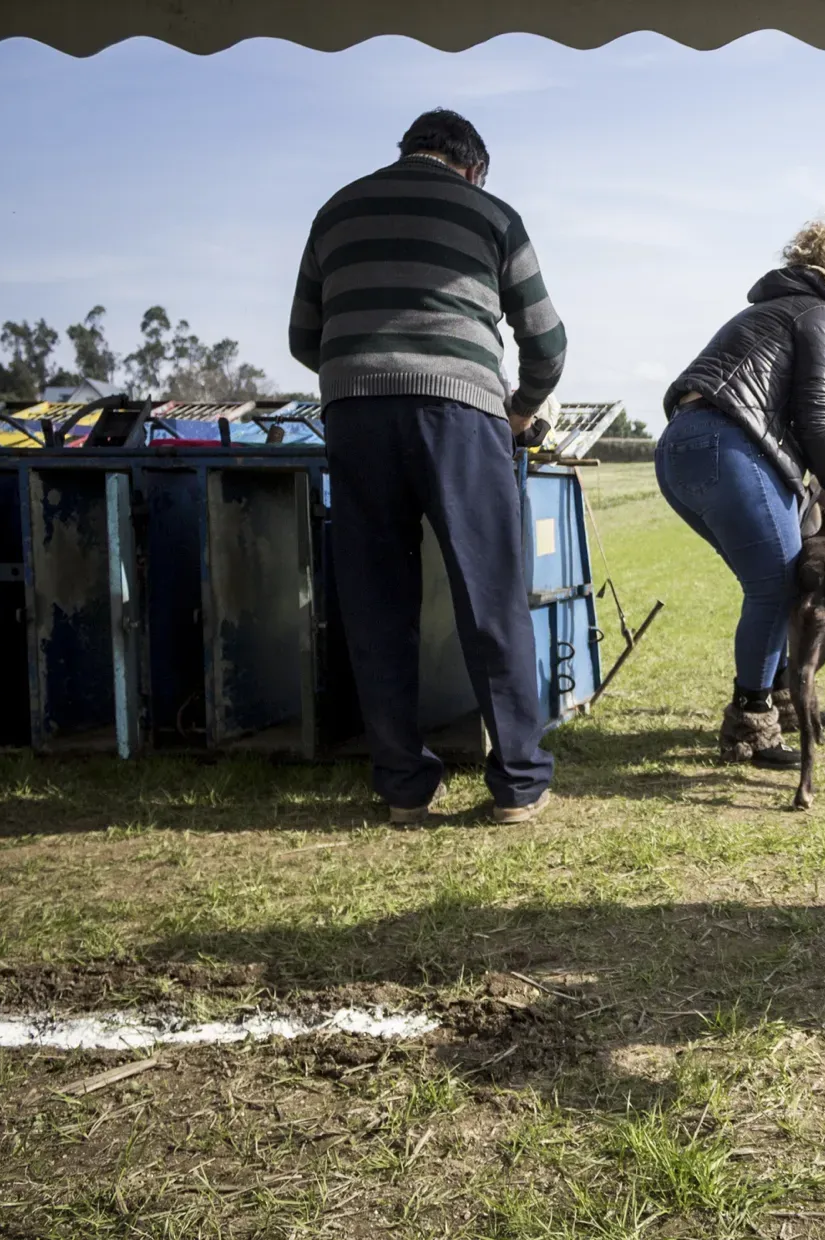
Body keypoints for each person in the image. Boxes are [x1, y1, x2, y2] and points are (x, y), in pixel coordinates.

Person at [289, 109, 564, 826]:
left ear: (410, 150)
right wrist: (520, 408)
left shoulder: (336, 210)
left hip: (355, 414)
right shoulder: (492, 214)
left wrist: (363, 372)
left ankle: (404, 787)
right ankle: (518, 782)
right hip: (460, 411)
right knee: (489, 592)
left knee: (377, 600)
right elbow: (547, 342)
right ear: (474, 167)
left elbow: (303, 337)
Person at [659, 217, 825, 767]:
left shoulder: (769, 310)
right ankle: (751, 723)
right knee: (777, 587)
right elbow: (816, 412)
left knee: (770, 581)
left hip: (679, 447)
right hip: (730, 447)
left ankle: (783, 696)